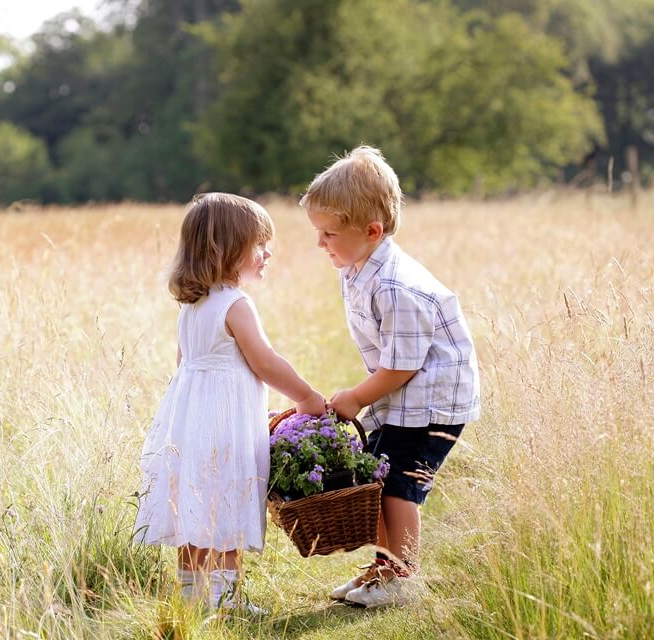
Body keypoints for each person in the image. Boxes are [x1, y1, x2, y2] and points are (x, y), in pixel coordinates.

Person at [300, 146, 480, 608]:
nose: (320, 244)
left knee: (399, 485)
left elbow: (404, 364)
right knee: (376, 479)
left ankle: (402, 577)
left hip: (432, 401)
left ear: (372, 231)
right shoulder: (356, 267)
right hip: (402, 399)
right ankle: (383, 568)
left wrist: (357, 397)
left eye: (328, 233)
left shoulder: (396, 286)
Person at [133, 192, 327, 614]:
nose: (267, 252)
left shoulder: (193, 307)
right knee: (227, 498)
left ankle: (191, 593)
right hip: (225, 424)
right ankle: (224, 600)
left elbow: (184, 364)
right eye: (258, 245)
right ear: (227, 249)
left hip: (190, 422)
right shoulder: (236, 305)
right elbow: (266, 363)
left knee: (196, 502)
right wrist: (307, 397)